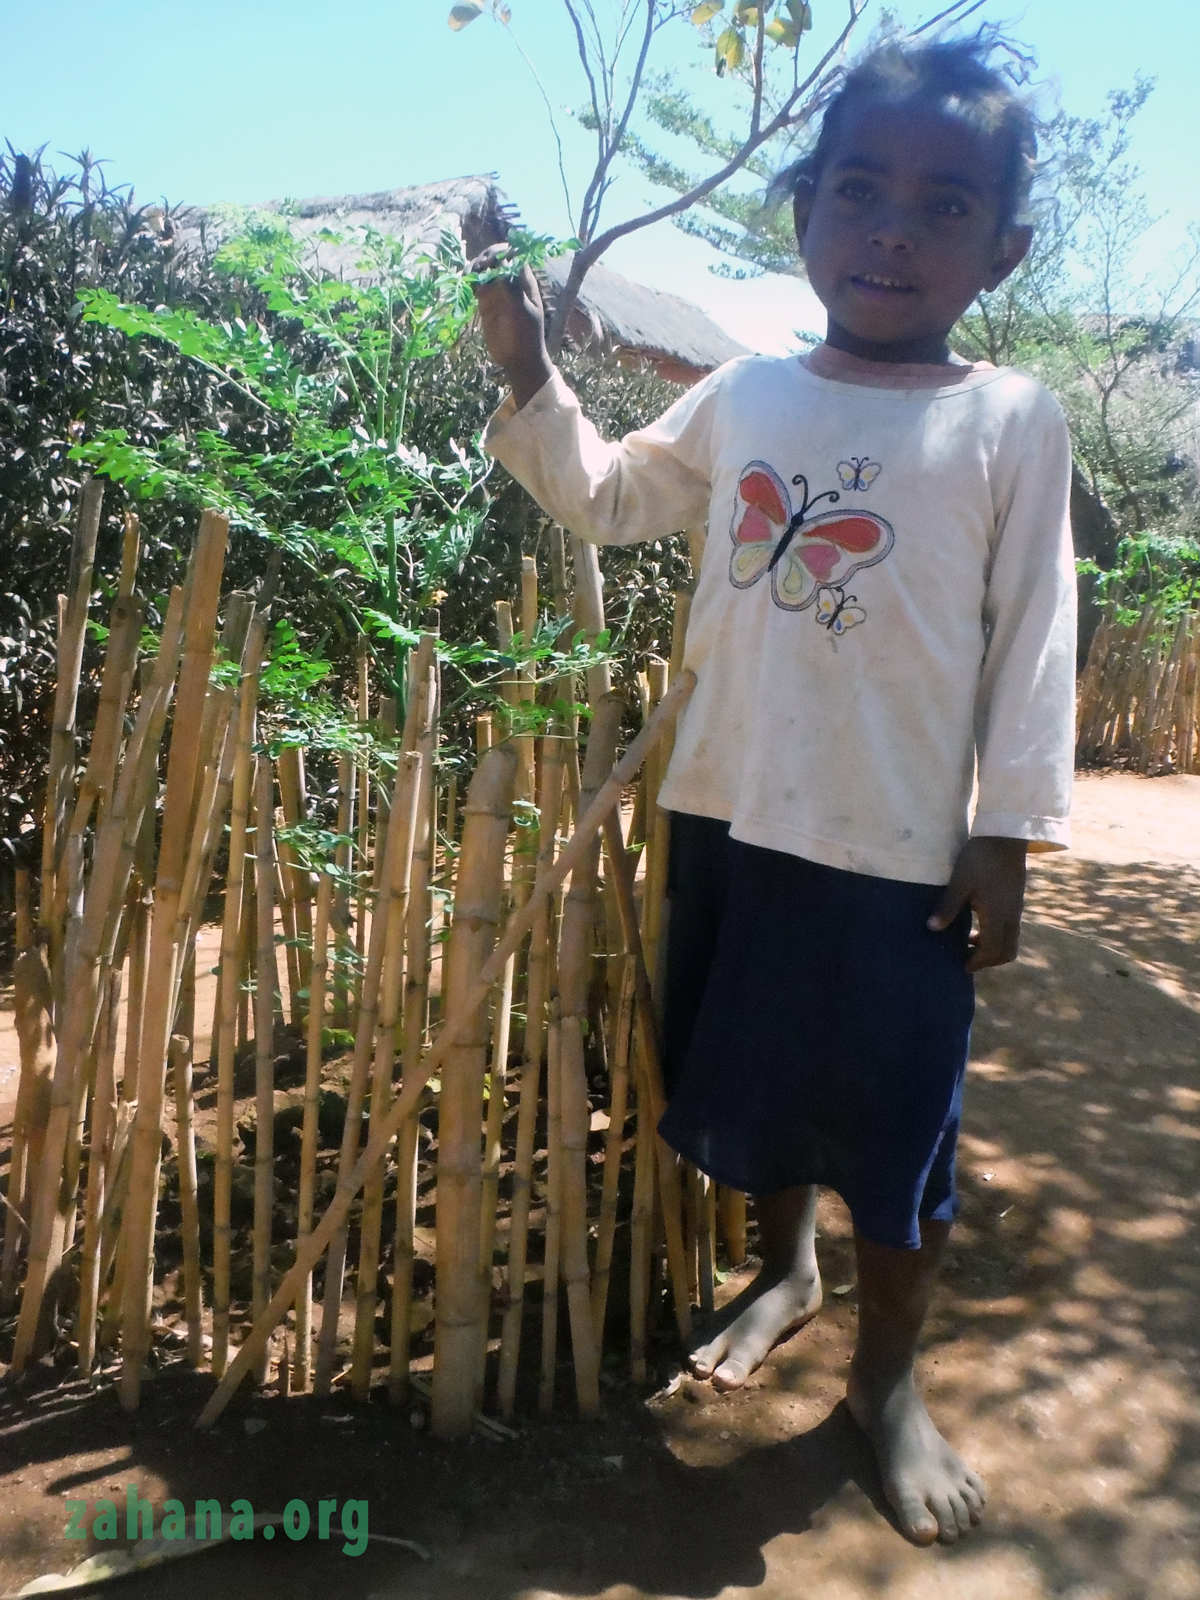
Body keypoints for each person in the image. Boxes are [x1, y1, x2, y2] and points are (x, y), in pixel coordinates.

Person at [474, 31, 1076, 1548]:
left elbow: (1037, 634)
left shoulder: (1011, 418)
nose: (892, 228)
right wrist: (531, 374)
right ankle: (787, 1269)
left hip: (895, 848)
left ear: (1001, 250)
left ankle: (885, 1383)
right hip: (730, 808)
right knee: (744, 1069)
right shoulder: (743, 393)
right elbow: (607, 500)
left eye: (945, 208)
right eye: (860, 190)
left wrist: (1009, 830)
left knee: (897, 1121)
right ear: (802, 213)